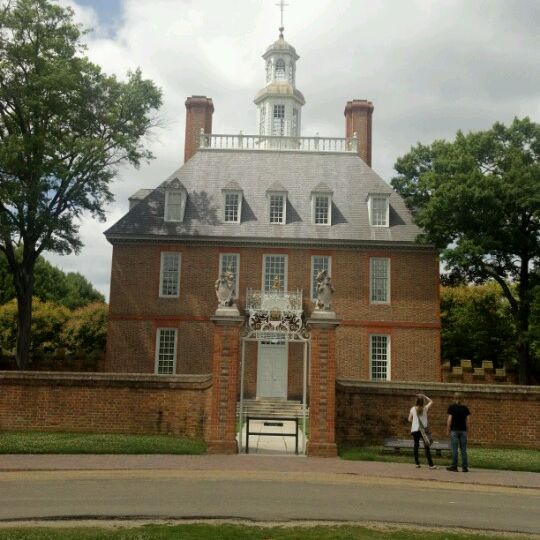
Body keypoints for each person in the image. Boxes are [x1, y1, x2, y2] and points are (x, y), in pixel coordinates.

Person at [408, 393, 437, 469]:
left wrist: (415, 422)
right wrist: (424, 396)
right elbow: (431, 401)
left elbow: (409, 419)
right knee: (427, 447)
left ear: (416, 401)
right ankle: (431, 465)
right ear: (423, 402)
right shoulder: (425, 408)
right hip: (423, 430)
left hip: (414, 430)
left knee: (416, 445)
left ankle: (417, 463)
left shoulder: (413, 409)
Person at [446, 391, 471, 472]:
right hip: (463, 431)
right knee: (463, 450)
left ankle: (454, 466)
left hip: (454, 430)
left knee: (454, 449)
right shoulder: (465, 408)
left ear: (454, 398)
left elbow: (449, 419)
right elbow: (468, 421)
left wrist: (448, 429)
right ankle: (464, 467)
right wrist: (468, 431)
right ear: (462, 399)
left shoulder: (452, 407)